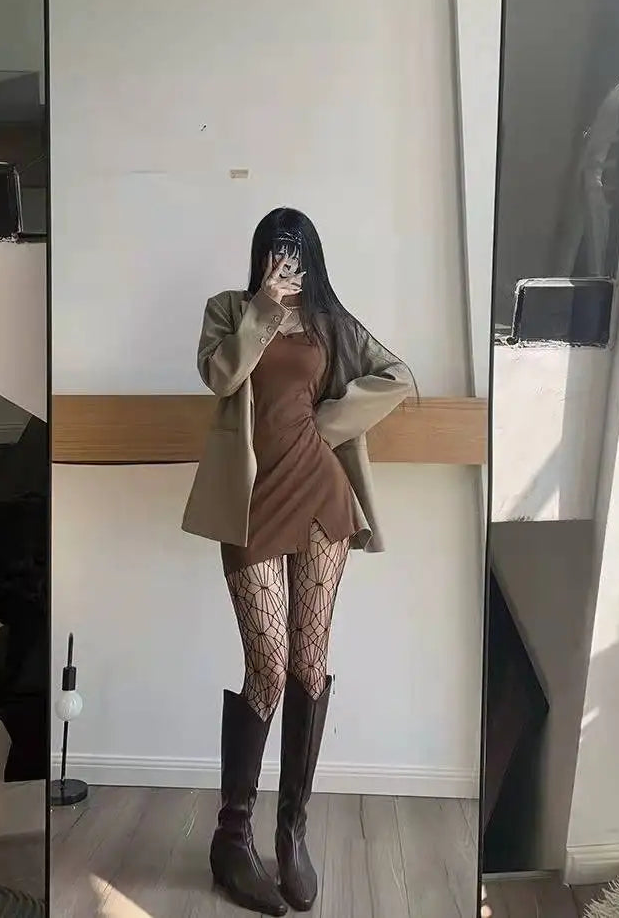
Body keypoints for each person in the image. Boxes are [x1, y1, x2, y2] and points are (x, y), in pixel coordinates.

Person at [182, 207, 413, 915]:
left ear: (312, 256)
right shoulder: (229, 310)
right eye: (275, 249)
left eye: (296, 249)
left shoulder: (331, 323)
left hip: (320, 497)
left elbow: (398, 375)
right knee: (267, 664)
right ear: (260, 255)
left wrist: (325, 425)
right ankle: (231, 840)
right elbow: (220, 377)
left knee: (309, 664)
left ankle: (291, 833)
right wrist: (263, 307)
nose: (286, 260)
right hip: (251, 504)